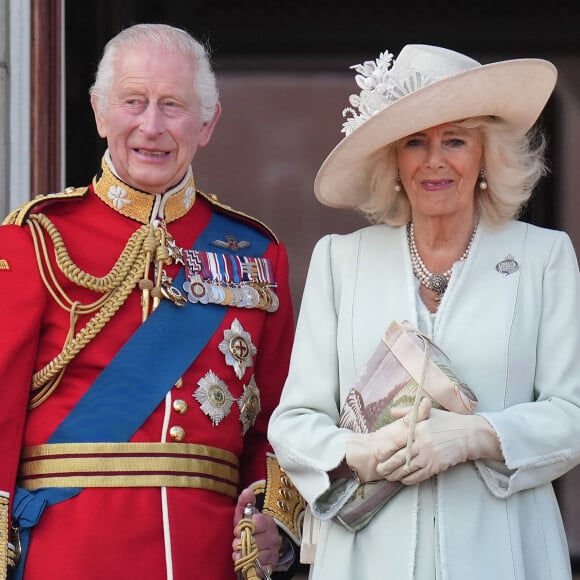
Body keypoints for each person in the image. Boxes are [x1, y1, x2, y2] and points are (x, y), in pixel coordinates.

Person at [0, 23, 304, 580]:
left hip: (205, 559)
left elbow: (282, 422)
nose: (152, 126)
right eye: (134, 102)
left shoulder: (260, 255)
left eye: (173, 106)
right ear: (98, 113)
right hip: (67, 555)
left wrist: (273, 525)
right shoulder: (35, 241)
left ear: (208, 122)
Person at [268, 44, 580, 579]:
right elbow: (293, 423)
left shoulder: (542, 258)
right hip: (365, 560)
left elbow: (572, 415)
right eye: (416, 142)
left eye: (455, 140)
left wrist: (475, 436)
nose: (435, 160)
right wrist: (355, 451)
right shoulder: (342, 261)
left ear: (486, 154)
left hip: (504, 555)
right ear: (393, 159)